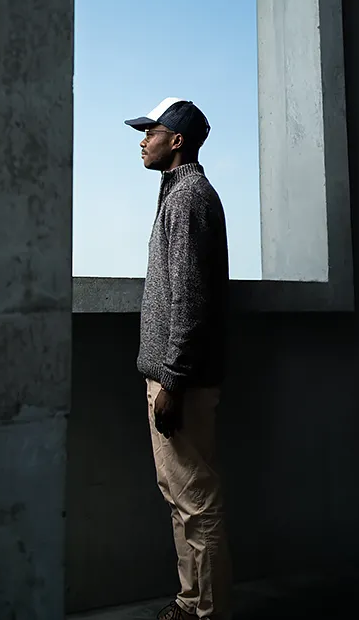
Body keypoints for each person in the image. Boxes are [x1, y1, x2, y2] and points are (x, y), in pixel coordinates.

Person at [124, 97, 232, 620]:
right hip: (176, 375)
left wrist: (173, 381)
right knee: (181, 496)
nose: (143, 139)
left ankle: (207, 612)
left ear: (178, 141)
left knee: (196, 500)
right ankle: (192, 604)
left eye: (152, 131)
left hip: (180, 380)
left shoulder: (188, 198)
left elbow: (190, 299)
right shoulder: (179, 195)